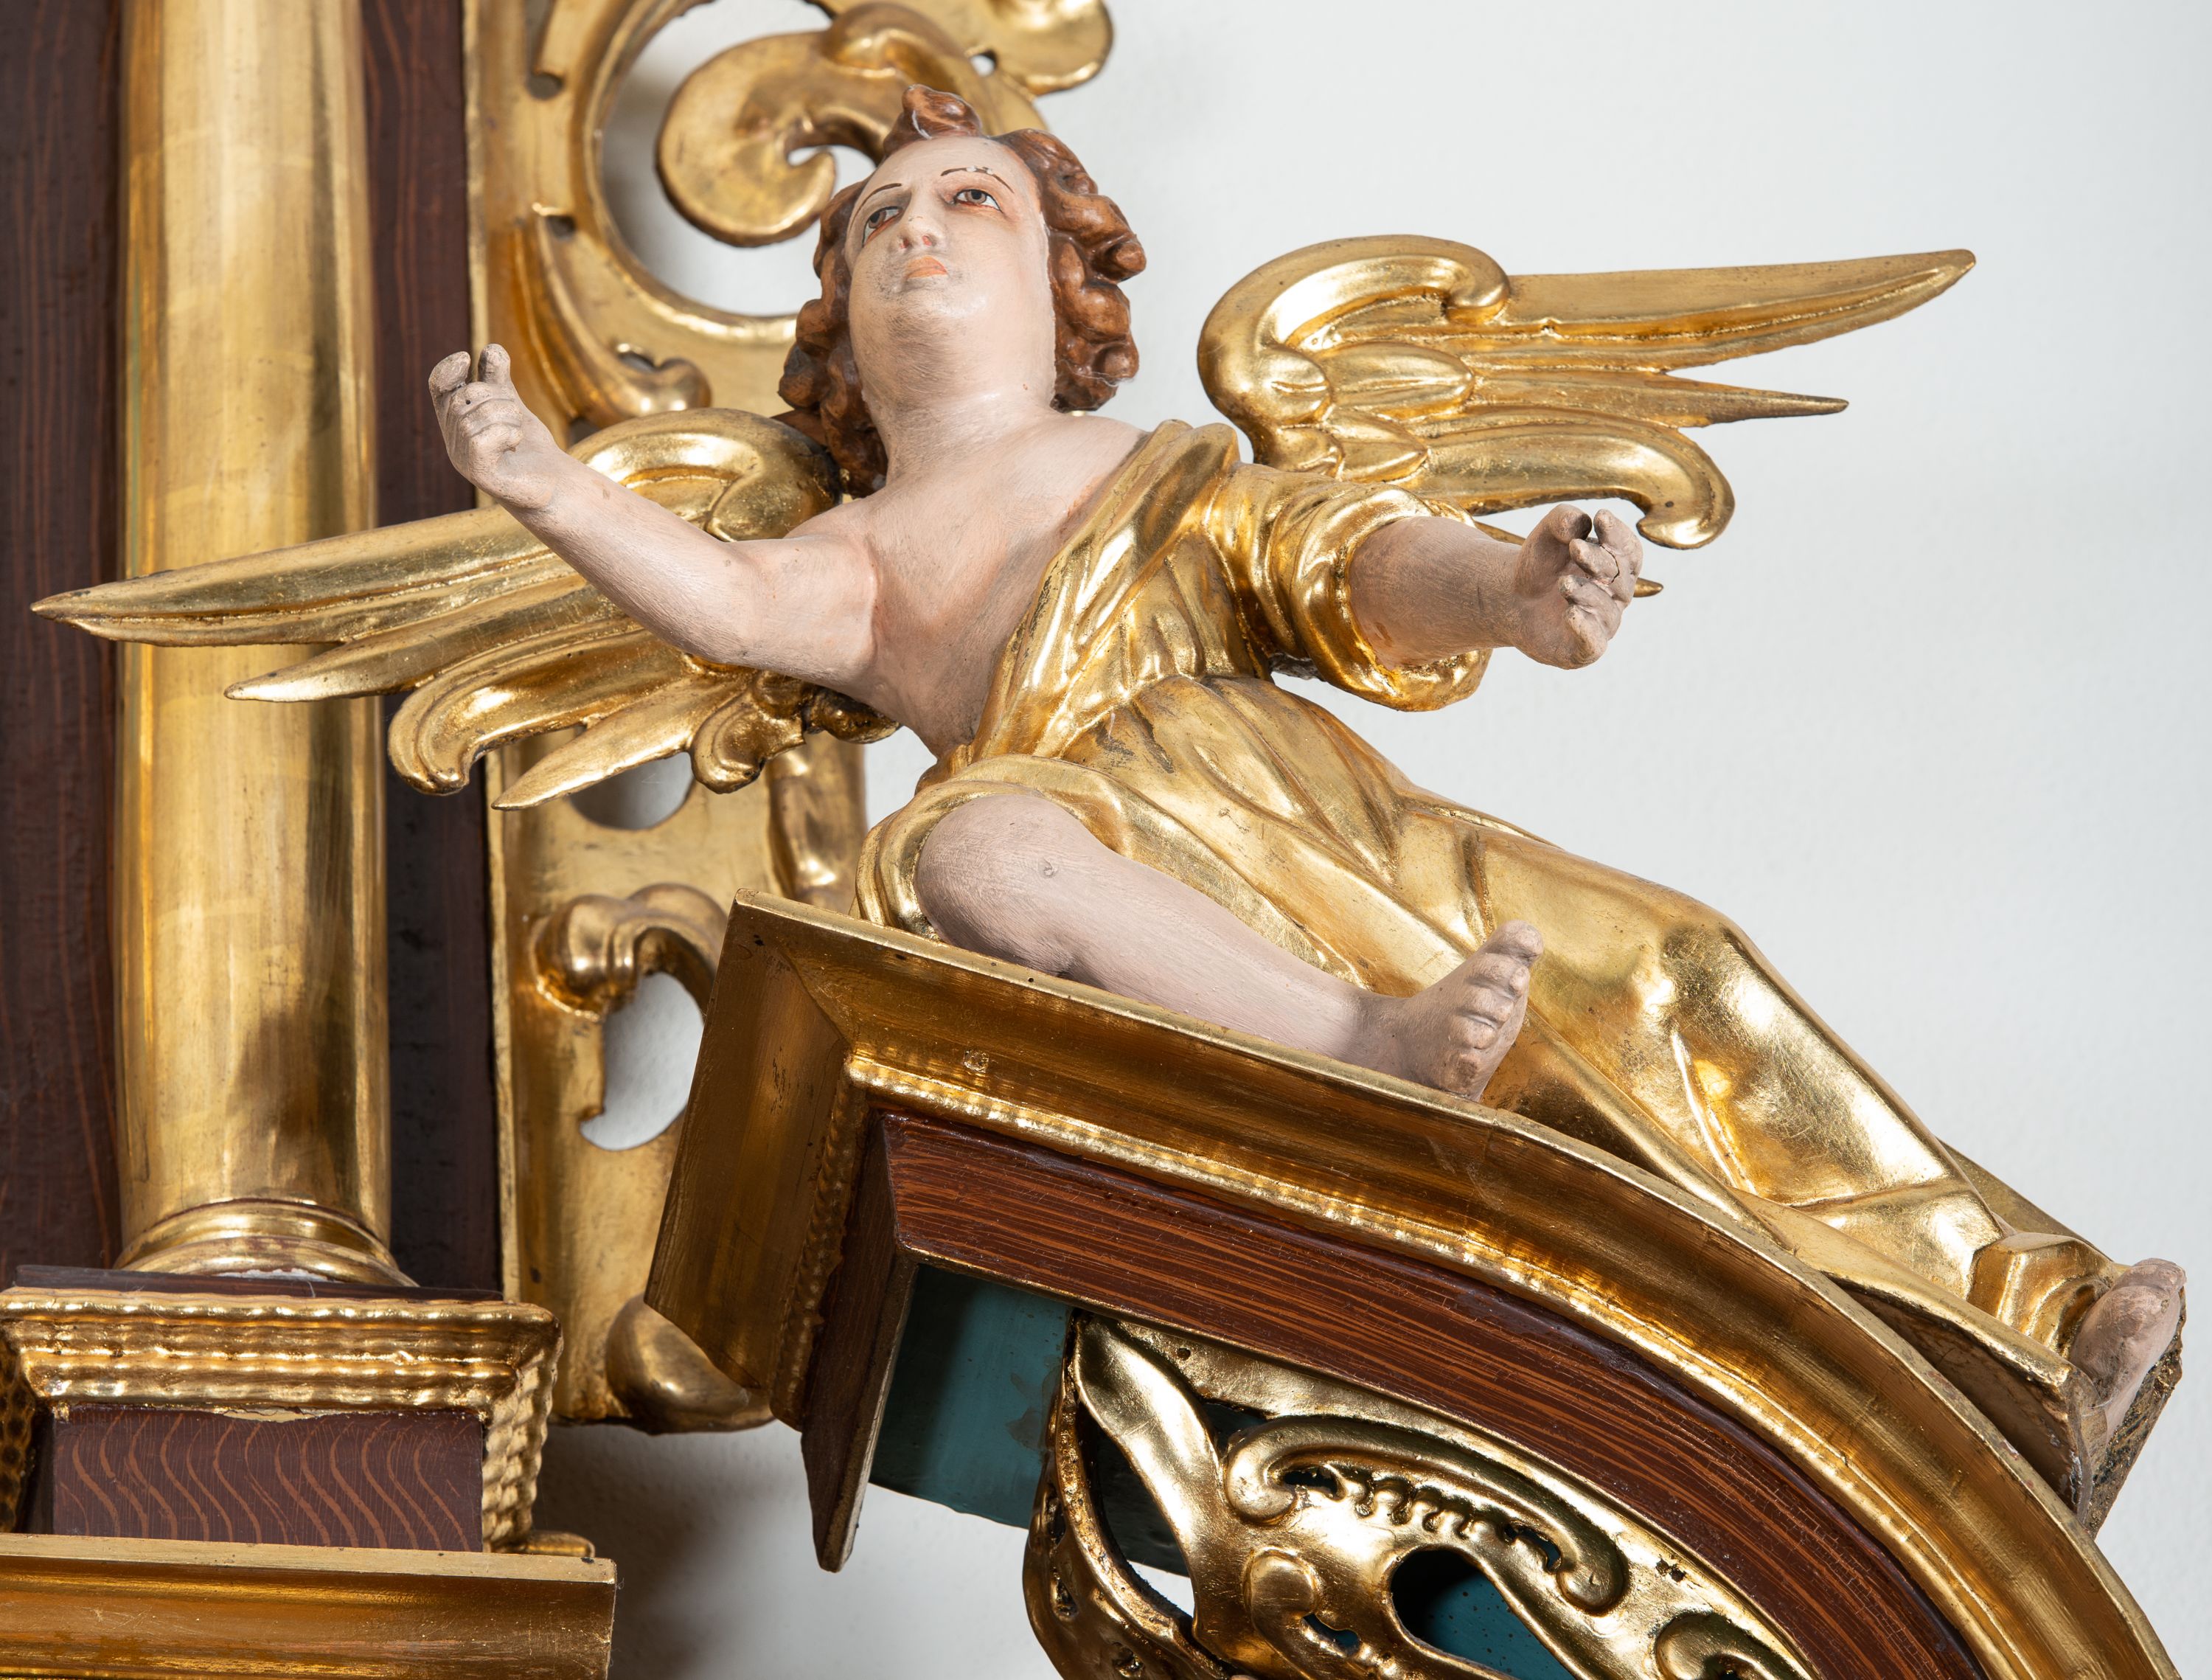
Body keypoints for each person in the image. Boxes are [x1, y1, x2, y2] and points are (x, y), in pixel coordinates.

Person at [428, 85, 2180, 1513]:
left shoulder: (1163, 468)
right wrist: (551, 491)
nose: (915, 232)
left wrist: (1512, 586)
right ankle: (1365, 1040)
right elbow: (732, 603)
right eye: (877, 224)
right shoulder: (862, 549)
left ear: (1066, 286)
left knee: (1669, 965)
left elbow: (1341, 562)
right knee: (980, 846)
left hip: (1323, 823)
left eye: (970, 202)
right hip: (1103, 845)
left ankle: (2024, 1317)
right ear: (839, 334)